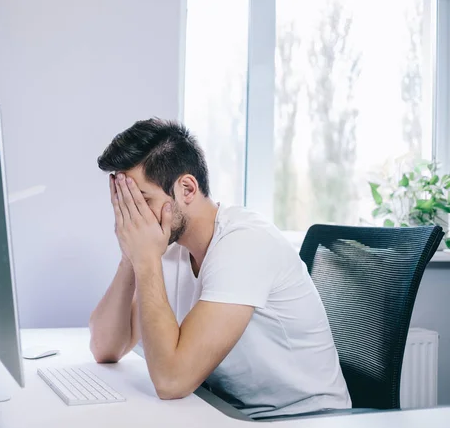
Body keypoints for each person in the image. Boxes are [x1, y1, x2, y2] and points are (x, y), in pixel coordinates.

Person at [88, 118, 351, 418]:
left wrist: (145, 261)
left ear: (186, 189)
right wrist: (129, 257)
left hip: (302, 420)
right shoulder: (165, 245)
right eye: (124, 203)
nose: (133, 216)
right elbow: (104, 347)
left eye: (141, 201)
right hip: (225, 412)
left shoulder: (244, 244)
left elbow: (171, 381)